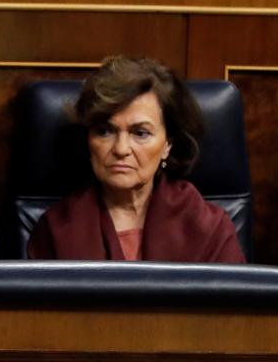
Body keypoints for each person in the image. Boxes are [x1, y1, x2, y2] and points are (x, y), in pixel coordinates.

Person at [27, 55, 245, 263]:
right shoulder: (55, 229)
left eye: (140, 133)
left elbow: (236, 301)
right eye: (104, 131)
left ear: (167, 144)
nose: (121, 149)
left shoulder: (210, 228)